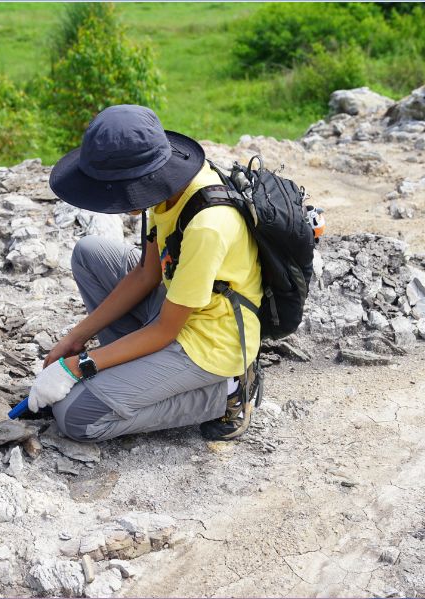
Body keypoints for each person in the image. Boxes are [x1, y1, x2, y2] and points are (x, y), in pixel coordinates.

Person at [30, 104, 262, 443]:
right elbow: (145, 274)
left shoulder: (207, 225)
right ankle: (129, 373)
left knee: (74, 417)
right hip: (177, 305)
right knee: (89, 253)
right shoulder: (168, 187)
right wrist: (76, 338)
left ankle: (226, 393)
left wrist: (78, 366)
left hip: (209, 340)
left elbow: (166, 330)